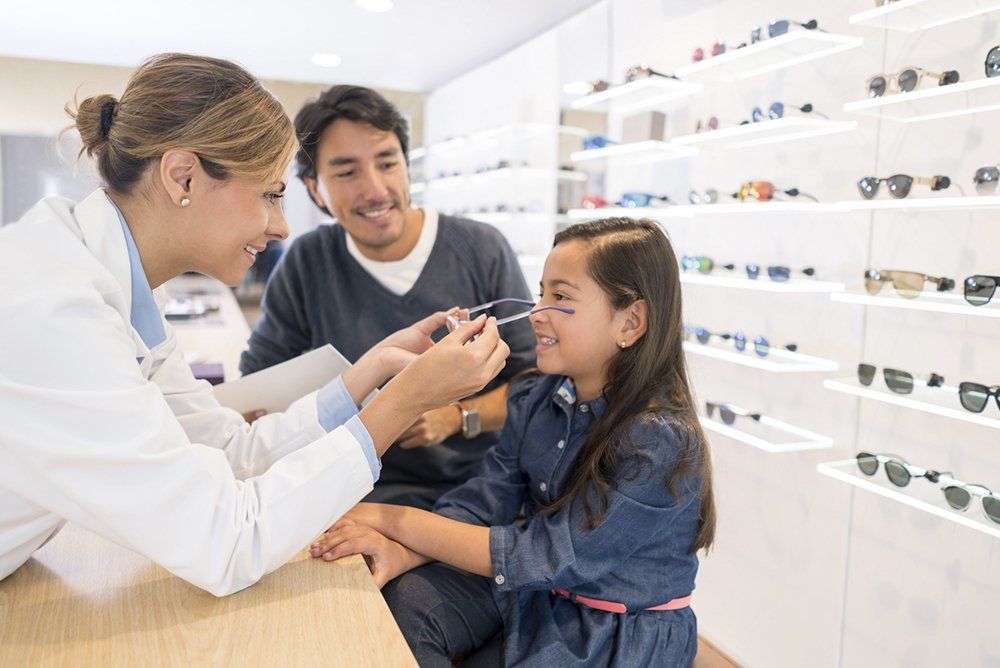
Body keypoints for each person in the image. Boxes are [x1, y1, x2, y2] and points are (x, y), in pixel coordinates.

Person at [0, 53, 509, 597]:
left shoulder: (121, 291)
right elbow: (225, 541)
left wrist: (372, 373)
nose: (281, 226)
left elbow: (230, 453)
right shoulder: (54, 309)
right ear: (183, 176)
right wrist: (400, 403)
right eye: (270, 194)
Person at [310, 217, 717, 667]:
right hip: (537, 595)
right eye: (540, 292)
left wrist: (392, 519)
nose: (536, 313)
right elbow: (487, 499)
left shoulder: (658, 440)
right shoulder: (535, 396)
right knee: (408, 601)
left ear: (631, 321)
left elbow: (547, 555)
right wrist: (405, 552)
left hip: (609, 636)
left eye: (560, 297)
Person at [239, 85, 536, 510]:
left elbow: (535, 383)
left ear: (407, 167)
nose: (375, 189)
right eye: (346, 172)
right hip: (347, 489)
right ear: (314, 188)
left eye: (387, 163)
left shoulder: (481, 249)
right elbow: (263, 381)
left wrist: (454, 418)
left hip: (474, 490)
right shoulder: (308, 260)